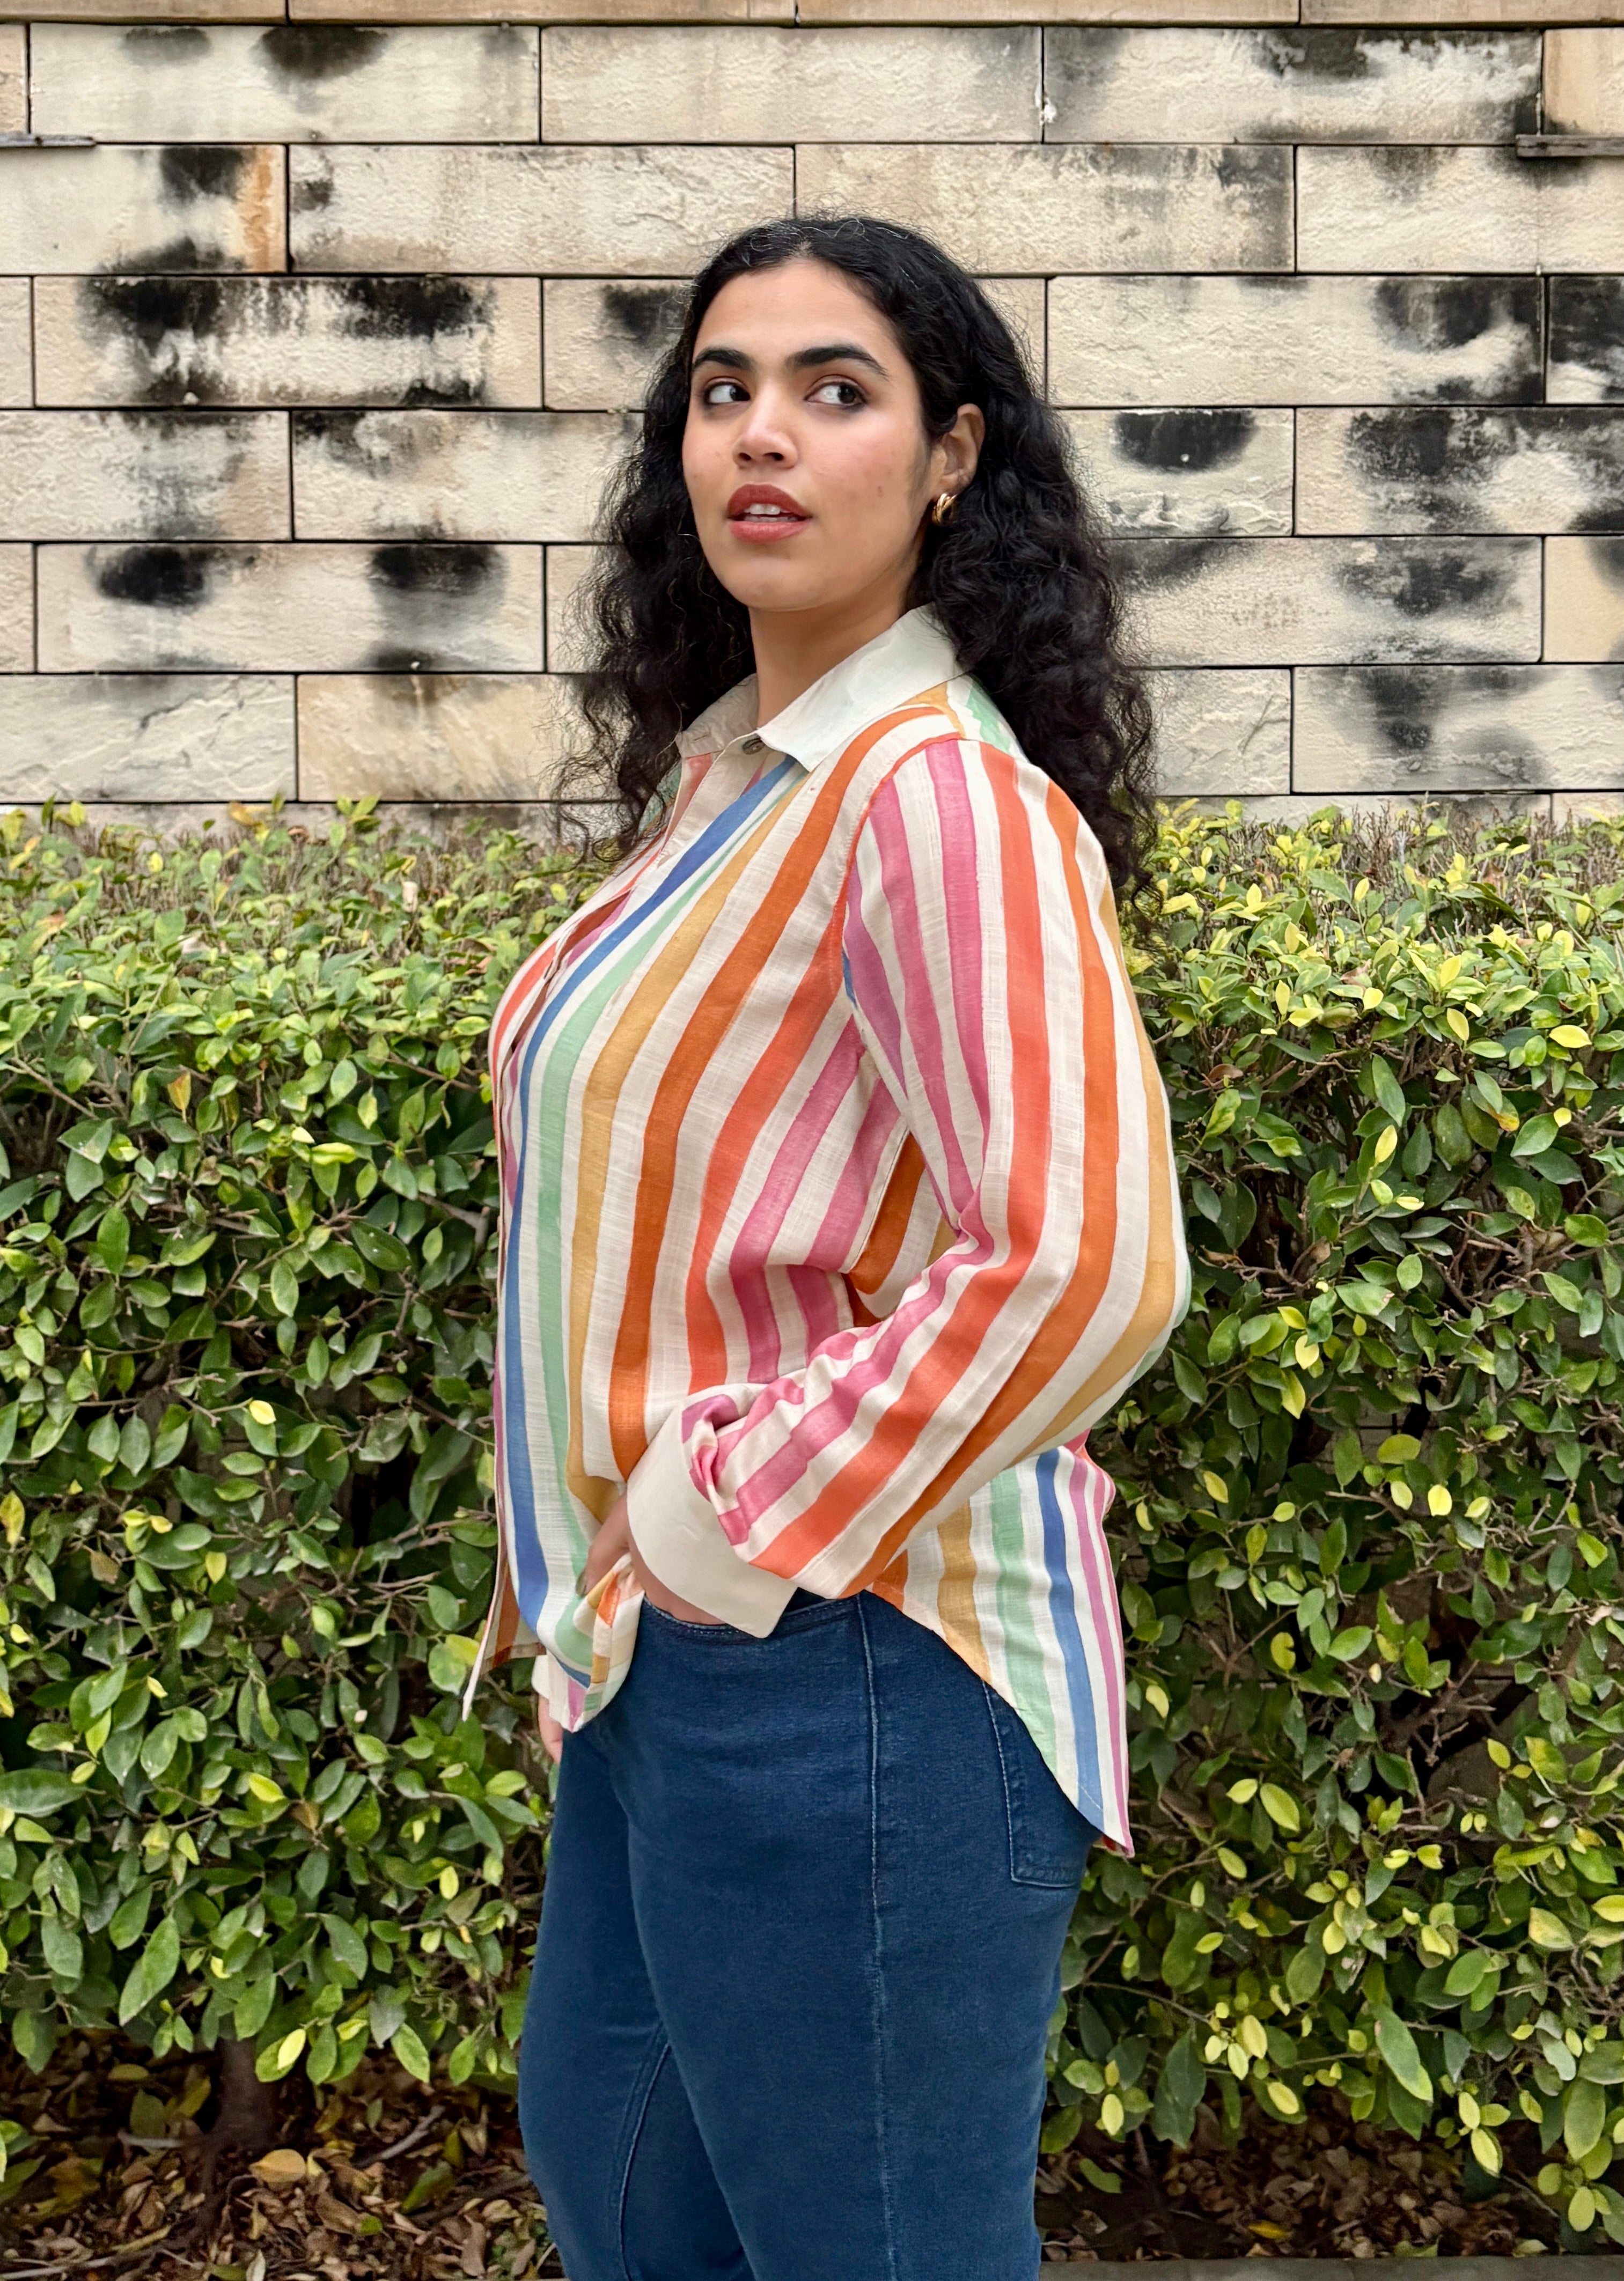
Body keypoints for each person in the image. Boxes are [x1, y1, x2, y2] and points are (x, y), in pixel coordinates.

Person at [462, 213, 1191, 2281]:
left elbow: (1085, 1258)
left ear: (952, 457)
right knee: (629, 2196)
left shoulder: (933, 800)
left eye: (833, 389)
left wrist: (715, 1518)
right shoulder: (737, 782)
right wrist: (628, 1590)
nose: (760, 436)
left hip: (858, 1668)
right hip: (672, 1666)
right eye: (723, 391)